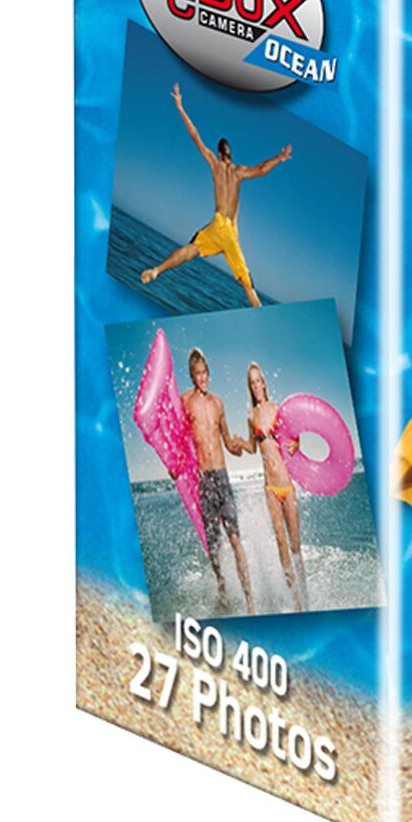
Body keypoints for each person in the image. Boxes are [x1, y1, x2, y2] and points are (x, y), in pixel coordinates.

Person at [141, 84, 290, 309]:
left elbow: (195, 136)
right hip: (230, 234)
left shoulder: (214, 164)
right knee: (247, 285)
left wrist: (180, 107)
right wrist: (279, 158)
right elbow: (261, 170)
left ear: (220, 154)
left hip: (217, 225)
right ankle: (263, 315)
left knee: (190, 251)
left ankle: (156, 270)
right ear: (230, 154)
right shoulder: (239, 172)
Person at [182, 346, 255, 613]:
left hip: (222, 477)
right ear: (192, 376)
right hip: (203, 480)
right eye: (197, 374)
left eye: (205, 373)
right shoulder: (185, 401)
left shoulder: (218, 404)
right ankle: (222, 584)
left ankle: (249, 600)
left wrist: (238, 445)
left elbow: (227, 442)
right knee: (214, 545)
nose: (202, 378)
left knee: (235, 539)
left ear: (209, 375)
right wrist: (175, 465)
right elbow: (180, 438)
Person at [246, 362, 308, 611]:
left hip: (287, 487)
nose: (256, 385)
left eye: (258, 380)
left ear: (264, 383)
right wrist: (239, 444)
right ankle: (295, 602)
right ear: (250, 387)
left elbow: (294, 436)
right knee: (281, 544)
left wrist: (297, 444)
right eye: (252, 382)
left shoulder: (277, 408)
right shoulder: (251, 417)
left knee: (295, 545)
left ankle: (305, 594)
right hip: (270, 488)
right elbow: (253, 447)